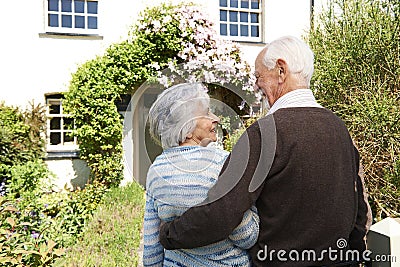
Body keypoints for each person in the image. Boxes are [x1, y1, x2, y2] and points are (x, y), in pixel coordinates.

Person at [159, 36, 372, 266]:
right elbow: (359, 208)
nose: (257, 85)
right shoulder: (338, 127)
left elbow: (220, 213)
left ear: (281, 71)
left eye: (259, 76)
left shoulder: (265, 133)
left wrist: (168, 234)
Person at [142, 83, 259, 267]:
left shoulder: (156, 171)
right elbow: (246, 236)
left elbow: (151, 247)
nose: (216, 119)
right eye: (206, 114)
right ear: (187, 127)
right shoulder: (223, 163)